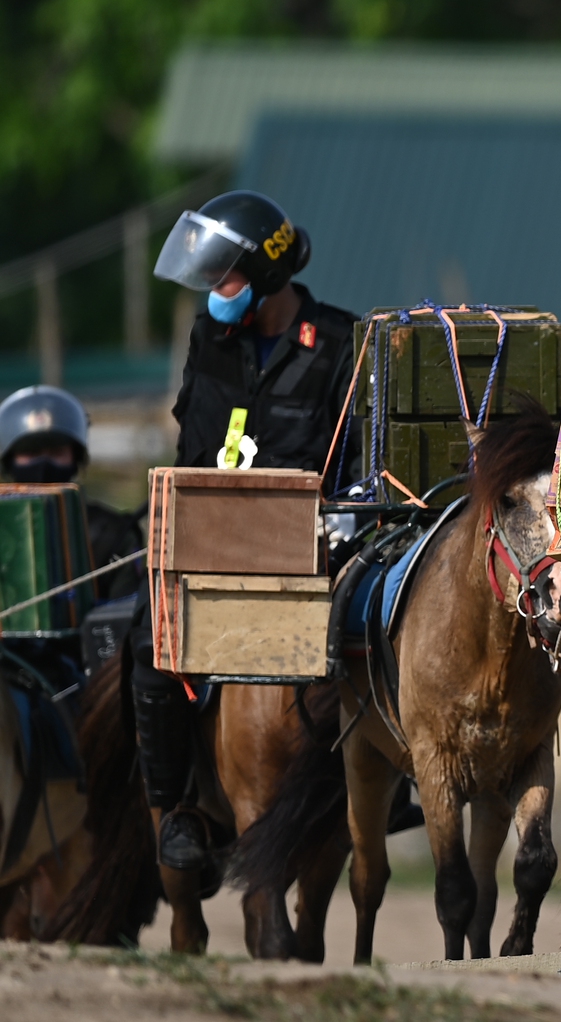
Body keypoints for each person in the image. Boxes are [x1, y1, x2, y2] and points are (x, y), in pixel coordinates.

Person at [137, 190, 359, 873]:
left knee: (375, 634)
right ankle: (179, 808)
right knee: (146, 643)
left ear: (265, 273)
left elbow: (359, 462)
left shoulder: (342, 342)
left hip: (312, 548)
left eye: (224, 276)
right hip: (213, 542)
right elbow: (192, 448)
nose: (213, 290)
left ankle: (385, 788)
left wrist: (343, 513)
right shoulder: (209, 339)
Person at [0, 384, 143, 601]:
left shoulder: (112, 534)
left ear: (76, 458)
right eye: (31, 453)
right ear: (10, 460)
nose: (43, 463)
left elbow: (128, 607)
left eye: (56, 453)